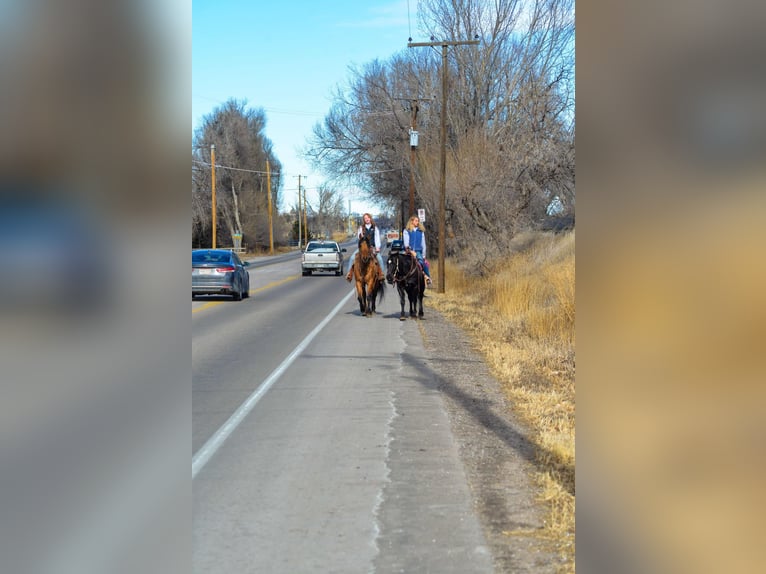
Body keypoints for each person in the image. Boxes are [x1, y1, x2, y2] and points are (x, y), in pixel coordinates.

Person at [345, 212, 385, 282]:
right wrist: (361, 238)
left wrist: (378, 247)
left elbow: (377, 238)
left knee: (380, 259)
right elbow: (359, 238)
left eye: (368, 218)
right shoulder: (361, 228)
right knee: (352, 258)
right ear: (364, 220)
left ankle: (381, 275)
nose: (367, 219)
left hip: (372, 248)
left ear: (370, 218)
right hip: (363, 248)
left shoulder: (375, 228)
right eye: (365, 218)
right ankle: (349, 274)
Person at [402, 215, 432, 285]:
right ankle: (399, 279)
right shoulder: (406, 231)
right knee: (402, 263)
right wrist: (410, 250)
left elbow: (423, 244)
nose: (417, 222)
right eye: (416, 221)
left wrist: (423, 255)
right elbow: (406, 243)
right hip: (409, 251)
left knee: (422, 262)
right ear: (411, 221)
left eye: (418, 221)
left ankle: (427, 277)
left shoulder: (421, 231)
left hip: (418, 251)